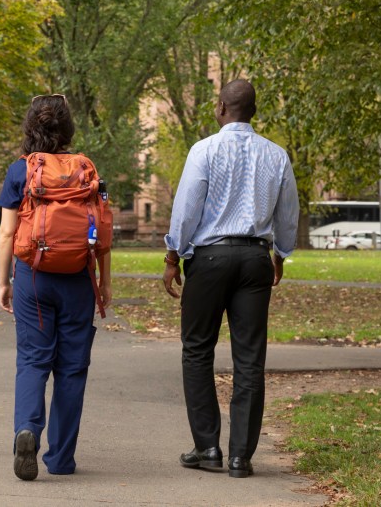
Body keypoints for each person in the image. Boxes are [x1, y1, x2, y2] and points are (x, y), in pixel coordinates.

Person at [162, 79, 298, 479]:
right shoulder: (276, 155)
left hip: (209, 258)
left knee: (198, 350)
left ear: (222, 107)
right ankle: (241, 455)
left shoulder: (203, 150)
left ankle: (207, 448)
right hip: (255, 258)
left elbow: (187, 209)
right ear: (252, 111)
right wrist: (280, 255)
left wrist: (173, 255)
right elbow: (288, 213)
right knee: (250, 358)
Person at [0, 94, 111, 481]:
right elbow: (103, 231)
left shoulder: (21, 171)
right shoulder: (86, 169)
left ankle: (26, 430)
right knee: (72, 368)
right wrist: (104, 282)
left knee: (32, 359)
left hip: (33, 277)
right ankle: (61, 459)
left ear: (31, 127)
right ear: (68, 129)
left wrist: (3, 281)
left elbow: (8, 232)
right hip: (78, 277)